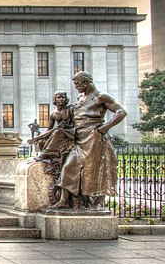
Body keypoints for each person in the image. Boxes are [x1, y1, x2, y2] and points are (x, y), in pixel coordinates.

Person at [54, 71, 127, 209]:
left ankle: (99, 202)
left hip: (95, 138)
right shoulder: (81, 98)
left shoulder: (101, 96)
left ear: (86, 82)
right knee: (69, 166)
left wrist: (106, 127)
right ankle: (63, 200)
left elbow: (121, 112)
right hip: (80, 138)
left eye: (77, 84)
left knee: (97, 169)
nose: (76, 87)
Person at [29, 91, 75, 168]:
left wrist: (69, 125)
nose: (61, 99)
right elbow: (49, 129)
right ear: (55, 99)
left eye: (63, 97)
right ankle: (47, 156)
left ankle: (45, 154)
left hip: (71, 131)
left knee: (57, 131)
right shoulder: (53, 114)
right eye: (59, 97)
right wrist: (40, 137)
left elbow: (76, 123)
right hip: (61, 132)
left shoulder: (70, 109)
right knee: (42, 141)